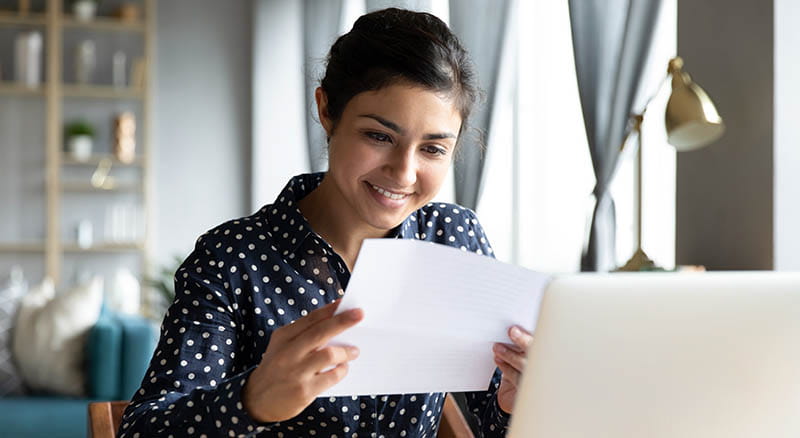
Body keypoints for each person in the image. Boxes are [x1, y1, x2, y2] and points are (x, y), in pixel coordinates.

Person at [119, 8, 532, 438]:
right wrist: (251, 401)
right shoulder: (231, 259)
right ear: (327, 111)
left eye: (432, 149)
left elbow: (493, 420)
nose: (404, 173)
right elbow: (141, 429)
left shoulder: (454, 240)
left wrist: (519, 405)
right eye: (379, 136)